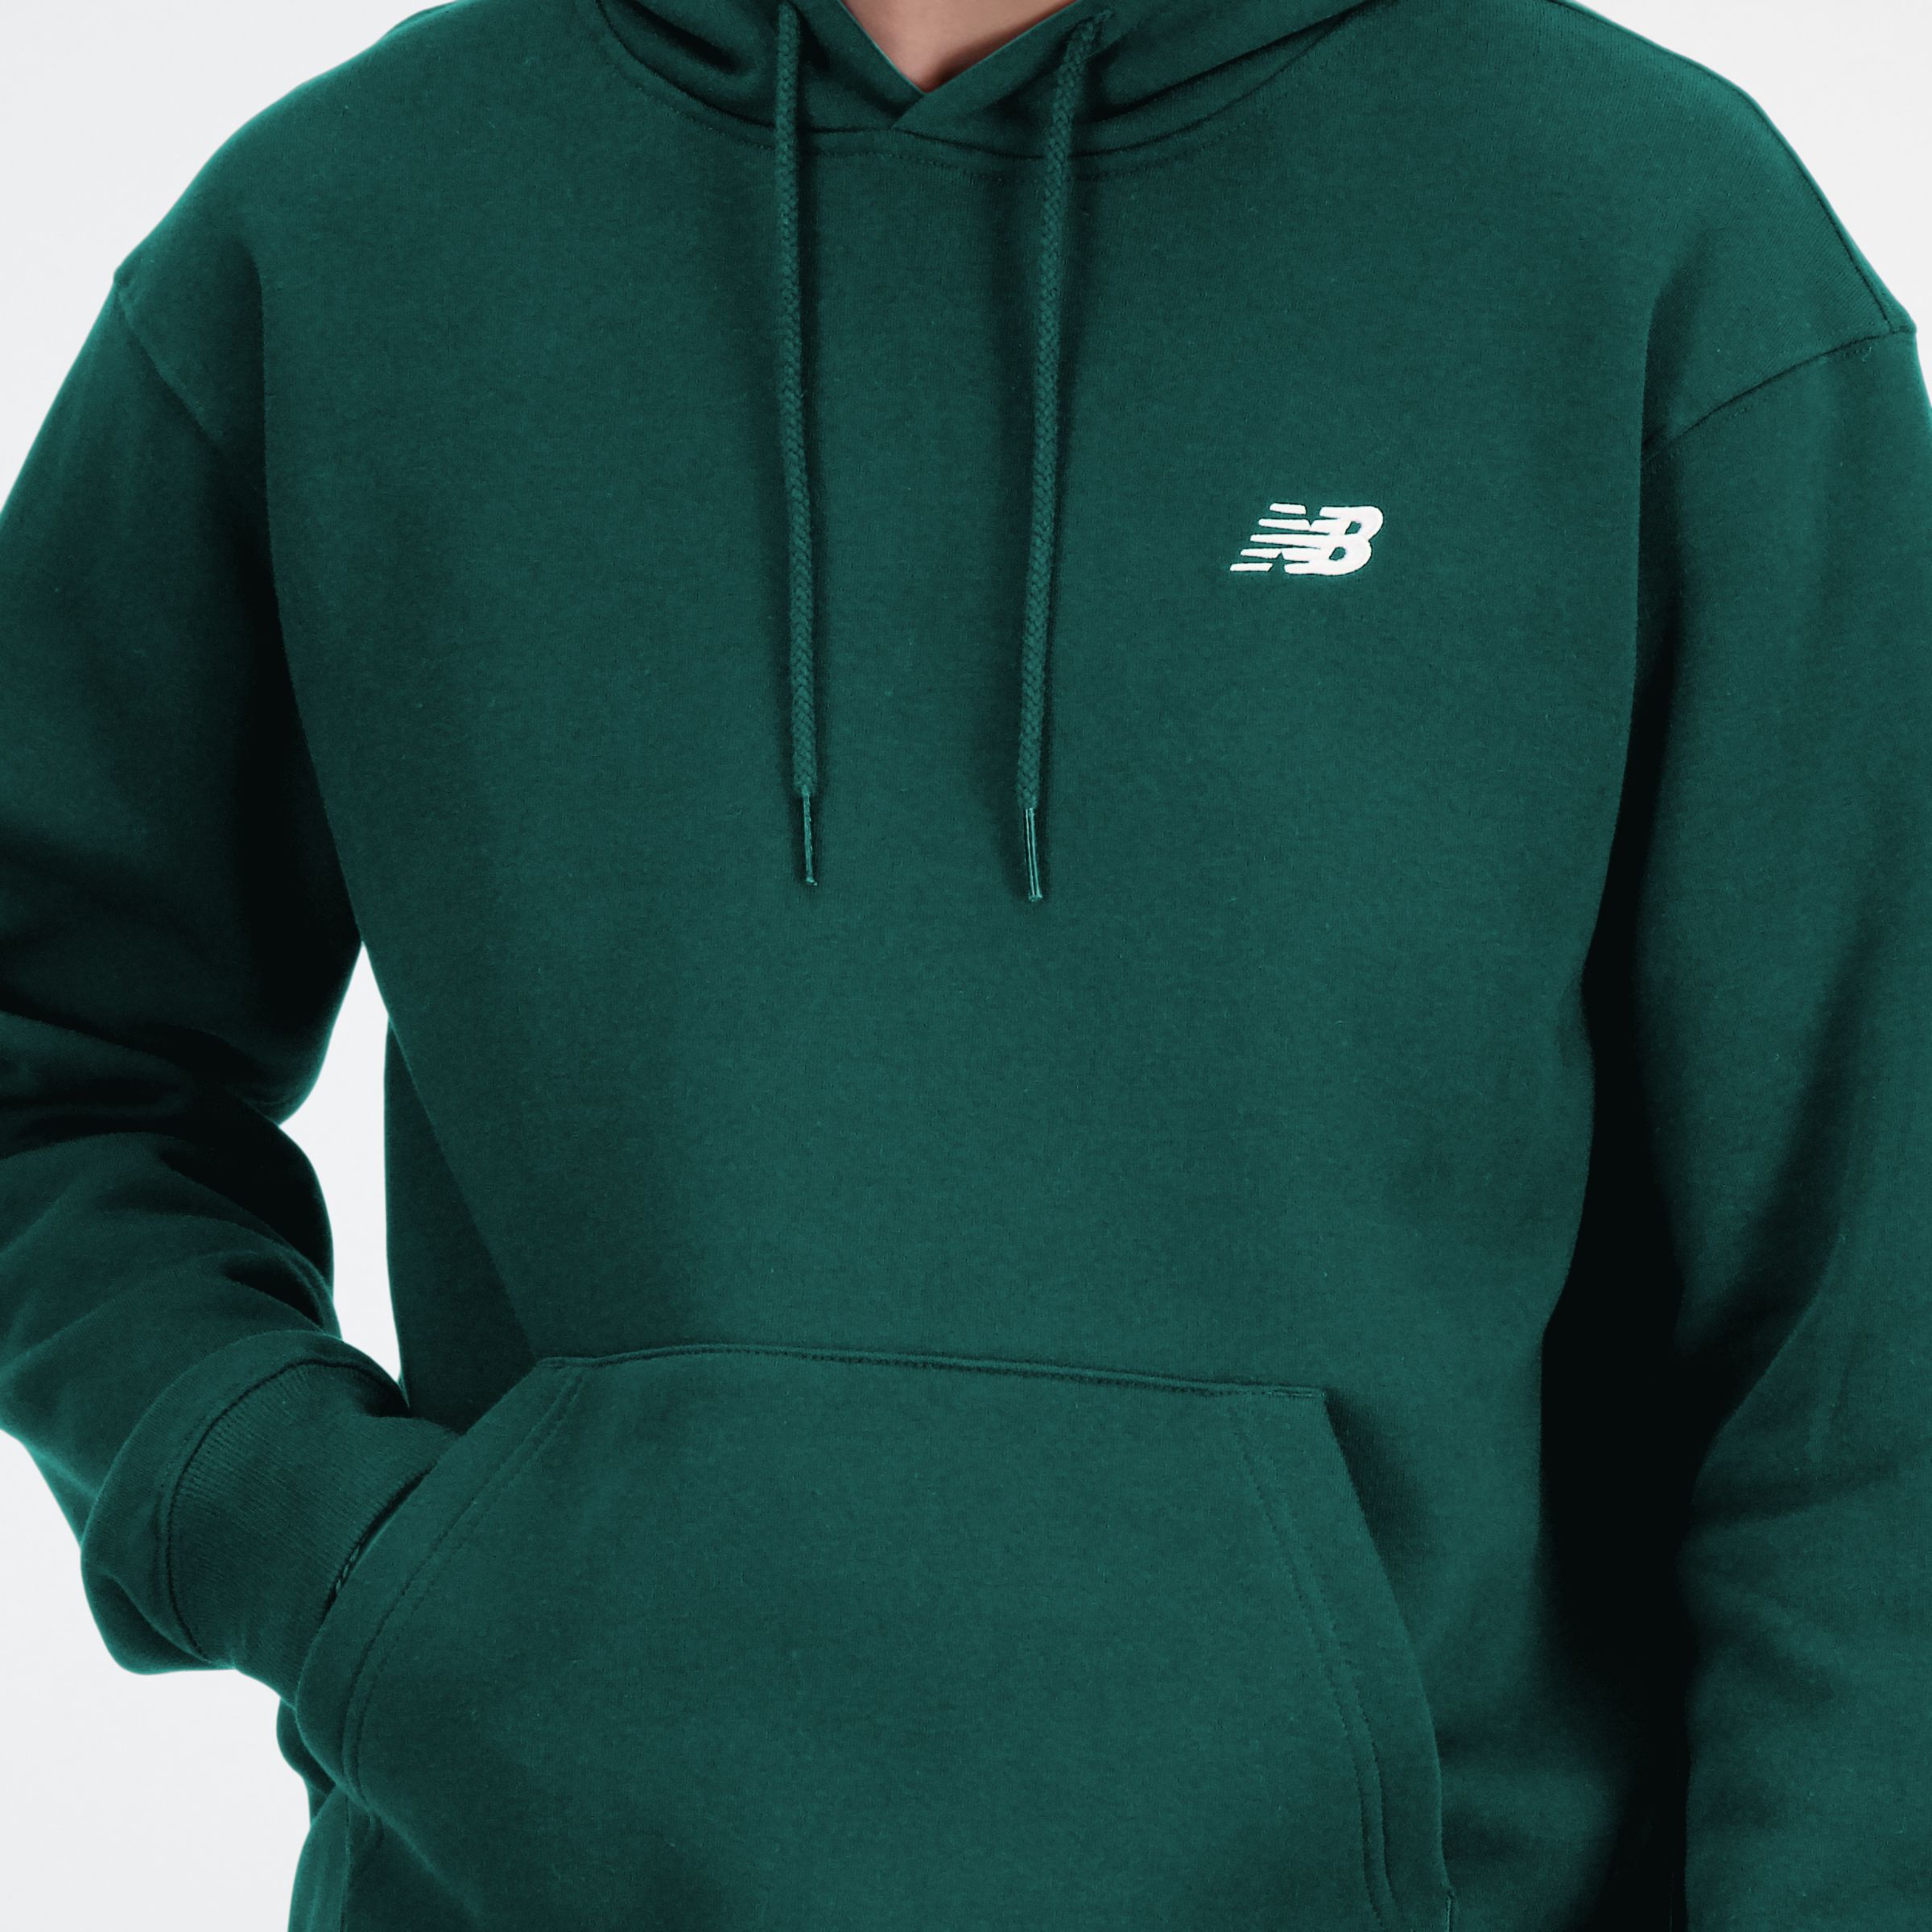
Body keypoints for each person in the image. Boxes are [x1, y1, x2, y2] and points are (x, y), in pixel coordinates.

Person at [2, 0, 1929, 1924]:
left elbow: (1869, 1337)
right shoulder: (356, 220)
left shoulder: (1634, 227)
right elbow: (48, 1053)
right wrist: (341, 1563)